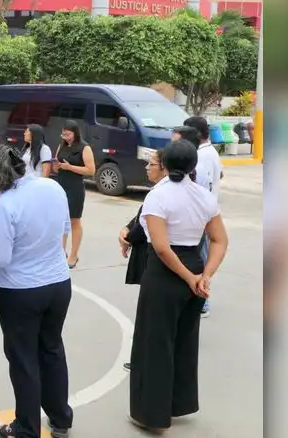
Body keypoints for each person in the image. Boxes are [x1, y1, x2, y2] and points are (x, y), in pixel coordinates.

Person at [128, 140, 228, 432]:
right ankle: (178, 404)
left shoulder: (158, 197)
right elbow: (220, 241)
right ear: (193, 166)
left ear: (166, 165)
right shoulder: (204, 196)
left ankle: (153, 416)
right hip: (194, 265)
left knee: (154, 344)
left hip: (165, 273)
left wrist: (189, 277)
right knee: (184, 341)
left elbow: (160, 248)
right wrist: (204, 276)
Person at [0, 147, 74, 438]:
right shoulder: (52, 187)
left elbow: (0, 256)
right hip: (58, 282)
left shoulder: (5, 204)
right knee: (51, 348)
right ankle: (60, 417)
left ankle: (25, 427)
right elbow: (63, 228)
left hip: (21, 289)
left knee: (23, 357)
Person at [118, 150, 166, 372]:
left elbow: (145, 224)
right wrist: (127, 230)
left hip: (158, 259)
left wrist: (128, 236)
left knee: (151, 316)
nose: (147, 168)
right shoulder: (164, 191)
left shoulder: (160, 194)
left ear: (165, 167)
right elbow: (140, 217)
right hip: (165, 259)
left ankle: (144, 361)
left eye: (152, 164)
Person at [183, 116, 223, 317]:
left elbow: (199, 184)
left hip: (201, 215)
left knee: (200, 258)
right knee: (202, 255)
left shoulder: (202, 156)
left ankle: (202, 301)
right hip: (206, 212)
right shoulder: (210, 152)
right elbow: (219, 176)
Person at [53, 120, 95, 269]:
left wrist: (70, 167)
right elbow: (56, 167)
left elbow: (91, 170)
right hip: (61, 185)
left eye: (68, 134)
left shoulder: (84, 148)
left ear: (75, 133)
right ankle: (60, 252)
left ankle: (74, 254)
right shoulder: (62, 146)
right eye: (63, 134)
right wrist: (57, 166)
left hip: (75, 187)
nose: (65, 137)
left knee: (74, 220)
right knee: (61, 220)